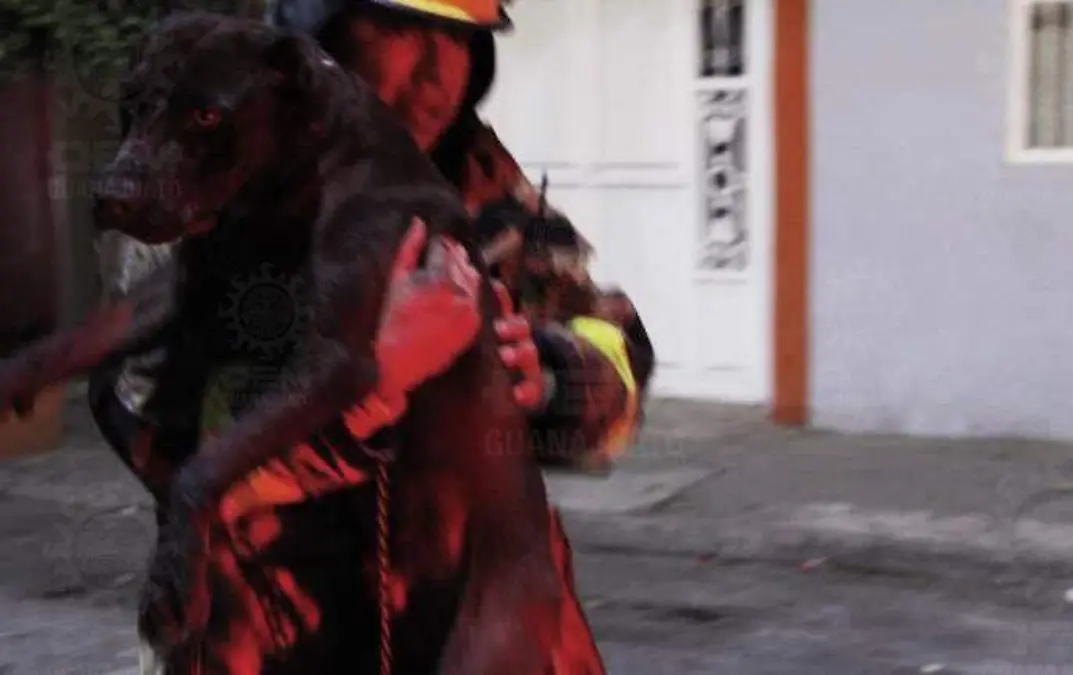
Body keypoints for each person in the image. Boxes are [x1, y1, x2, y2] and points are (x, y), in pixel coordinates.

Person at [90, 0, 654, 672]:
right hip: (269, 636)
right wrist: (377, 381)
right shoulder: (200, 179)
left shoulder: (477, 178)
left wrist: (554, 374)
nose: (436, 71)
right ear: (318, 31)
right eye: (400, 29)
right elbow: (152, 436)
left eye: (459, 38)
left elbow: (618, 341)